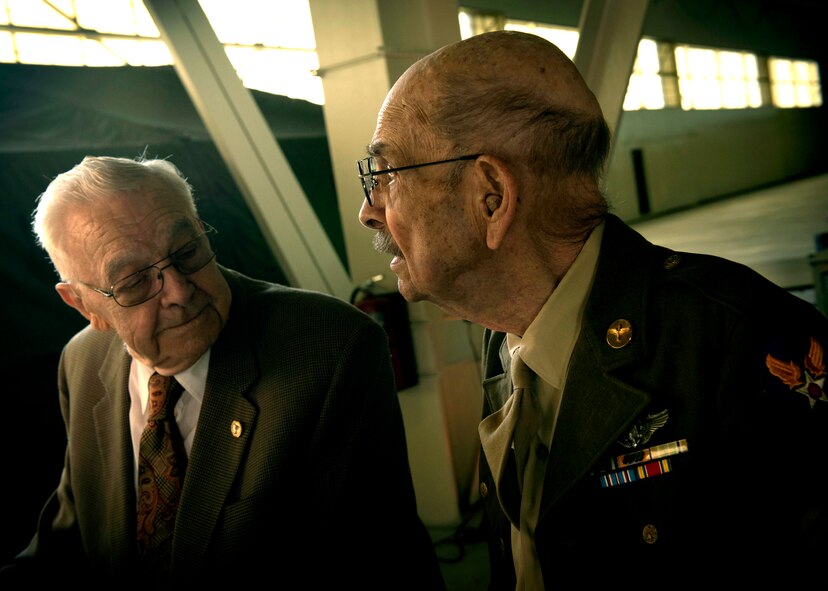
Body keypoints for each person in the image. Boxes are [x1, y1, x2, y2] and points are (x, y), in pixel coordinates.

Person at [356, 30, 828, 587]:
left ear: (491, 196)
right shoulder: (506, 337)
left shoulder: (741, 340)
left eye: (386, 175)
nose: (369, 210)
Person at [0, 155, 445, 589]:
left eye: (187, 251)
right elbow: (68, 543)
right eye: (134, 282)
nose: (179, 291)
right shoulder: (82, 361)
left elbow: (376, 563)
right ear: (83, 305)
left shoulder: (331, 347)